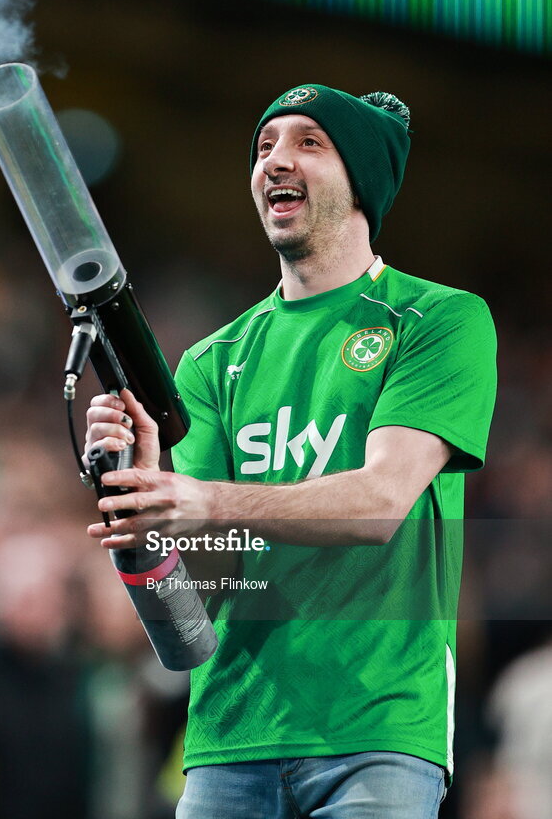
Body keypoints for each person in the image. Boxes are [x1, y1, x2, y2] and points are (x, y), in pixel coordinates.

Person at [84, 83, 497, 818]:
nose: (277, 159)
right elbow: (191, 621)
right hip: (225, 746)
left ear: (360, 179)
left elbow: (380, 503)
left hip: (379, 734)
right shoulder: (213, 359)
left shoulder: (439, 319)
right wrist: (143, 511)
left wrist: (200, 499)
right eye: (266, 146)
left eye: (310, 142)